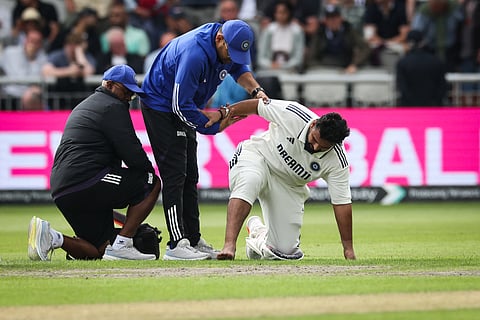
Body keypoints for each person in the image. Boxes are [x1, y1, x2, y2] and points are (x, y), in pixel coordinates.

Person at [141, 19, 268, 260]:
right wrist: (211, 126)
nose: (233, 59)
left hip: (185, 107)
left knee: (191, 175)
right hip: (161, 107)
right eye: (232, 53)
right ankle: (177, 244)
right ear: (220, 40)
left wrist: (256, 91)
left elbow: (238, 69)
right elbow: (179, 105)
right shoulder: (195, 55)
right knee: (175, 174)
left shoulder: (225, 45)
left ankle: (194, 238)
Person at [28, 64, 161, 261]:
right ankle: (123, 245)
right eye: (125, 91)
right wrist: (146, 179)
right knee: (151, 182)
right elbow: (132, 153)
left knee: (100, 249)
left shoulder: (89, 104)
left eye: (132, 94)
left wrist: (128, 223)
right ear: (109, 84)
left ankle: (52, 237)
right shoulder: (112, 106)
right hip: (87, 179)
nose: (128, 98)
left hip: (64, 188)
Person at [217, 98, 356, 261]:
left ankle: (258, 234)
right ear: (313, 124)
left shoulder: (337, 161)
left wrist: (348, 249)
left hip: (289, 185)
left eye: (323, 147)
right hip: (257, 156)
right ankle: (229, 245)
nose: (315, 148)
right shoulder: (293, 113)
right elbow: (257, 106)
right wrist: (224, 114)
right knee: (251, 180)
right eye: (315, 140)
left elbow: (342, 203)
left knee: (283, 251)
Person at [306, 4, 370, 74]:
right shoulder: (320, 33)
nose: (332, 21)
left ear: (341, 18)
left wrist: (355, 64)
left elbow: (365, 48)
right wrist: (316, 66)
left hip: (345, 69)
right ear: (325, 20)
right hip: (323, 69)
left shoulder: (349, 31)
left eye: (335, 17)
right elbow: (311, 54)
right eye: (329, 18)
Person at [396, 30, 447, 106]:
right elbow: (442, 86)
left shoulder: (403, 63)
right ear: (422, 42)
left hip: (410, 108)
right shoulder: (436, 61)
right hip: (433, 108)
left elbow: (402, 87)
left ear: (408, 43)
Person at [0, 28, 47, 110]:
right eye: (31, 40)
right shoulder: (10, 52)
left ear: (40, 45)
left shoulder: (42, 57)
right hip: (8, 94)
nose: (32, 44)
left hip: (29, 96)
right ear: (25, 40)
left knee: (30, 96)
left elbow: (37, 78)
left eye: (36, 42)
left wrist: (31, 59)